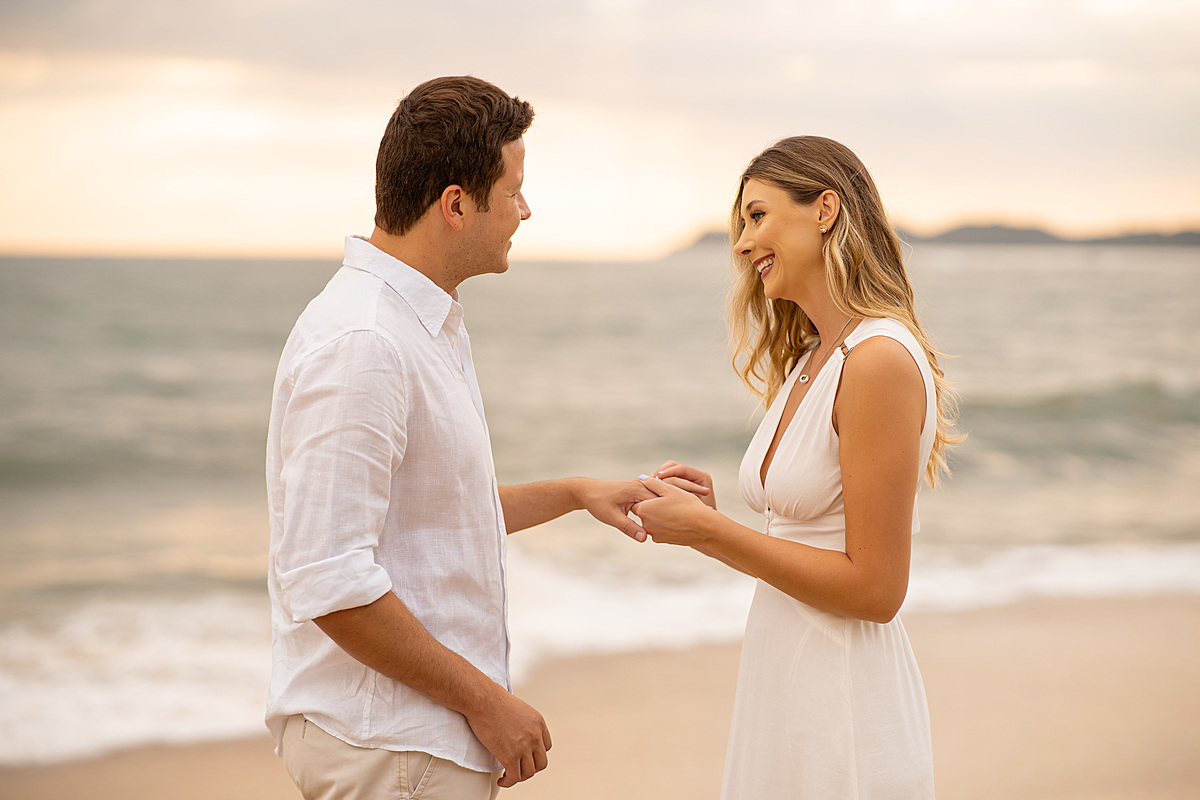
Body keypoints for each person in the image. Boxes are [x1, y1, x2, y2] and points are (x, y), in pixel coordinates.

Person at [264, 76, 653, 800]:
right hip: (390, 748)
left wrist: (575, 493)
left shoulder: (421, 323)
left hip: (412, 743)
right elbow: (330, 580)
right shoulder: (365, 342)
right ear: (455, 204)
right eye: (513, 192)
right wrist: (487, 702)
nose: (525, 211)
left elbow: (432, 514)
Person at [631, 135, 961, 798]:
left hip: (843, 702)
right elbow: (806, 536)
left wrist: (711, 532)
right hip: (786, 686)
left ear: (825, 209)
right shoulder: (814, 357)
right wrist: (709, 521)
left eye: (757, 216)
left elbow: (877, 590)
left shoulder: (876, 359)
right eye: (741, 224)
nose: (742, 244)